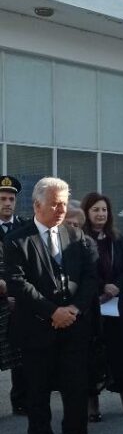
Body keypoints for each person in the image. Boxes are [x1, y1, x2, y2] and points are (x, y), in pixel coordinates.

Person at [3, 177, 101, 434]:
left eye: (63, 203)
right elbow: (19, 285)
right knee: (38, 395)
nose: (60, 209)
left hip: (73, 329)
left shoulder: (78, 236)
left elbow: (90, 279)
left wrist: (73, 309)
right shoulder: (18, 239)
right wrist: (52, 312)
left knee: (75, 391)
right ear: (37, 205)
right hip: (36, 332)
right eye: (54, 204)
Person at [81, 192, 123, 420]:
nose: (101, 214)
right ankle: (93, 407)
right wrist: (100, 288)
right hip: (91, 306)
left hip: (116, 305)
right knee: (92, 355)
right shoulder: (79, 238)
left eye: (104, 210)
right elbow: (81, 273)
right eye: (96, 210)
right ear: (87, 213)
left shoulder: (117, 239)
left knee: (121, 353)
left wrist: (116, 286)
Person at [0, 175, 29, 417]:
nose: (7, 203)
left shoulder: (24, 227)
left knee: (20, 352)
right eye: (2, 199)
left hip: (20, 301)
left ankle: (21, 400)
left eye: (11, 199)